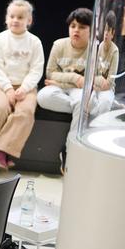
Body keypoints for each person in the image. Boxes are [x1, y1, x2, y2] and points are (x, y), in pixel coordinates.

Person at [0, 0, 44, 170]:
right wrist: (8, 89)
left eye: (20, 17)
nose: (15, 20)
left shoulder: (34, 42)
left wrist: (24, 89)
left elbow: (36, 69)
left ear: (29, 21)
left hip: (26, 87)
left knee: (25, 113)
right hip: (1, 84)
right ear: (6, 18)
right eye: (12, 16)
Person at [36, 8, 93, 161]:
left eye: (82, 27)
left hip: (77, 91)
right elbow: (50, 73)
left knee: (81, 101)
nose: (76, 30)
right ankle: (83, 109)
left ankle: (70, 150)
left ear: (91, 30)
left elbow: (90, 80)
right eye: (73, 26)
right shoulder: (59, 45)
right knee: (43, 96)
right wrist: (74, 78)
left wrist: (60, 80)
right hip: (62, 88)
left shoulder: (95, 49)